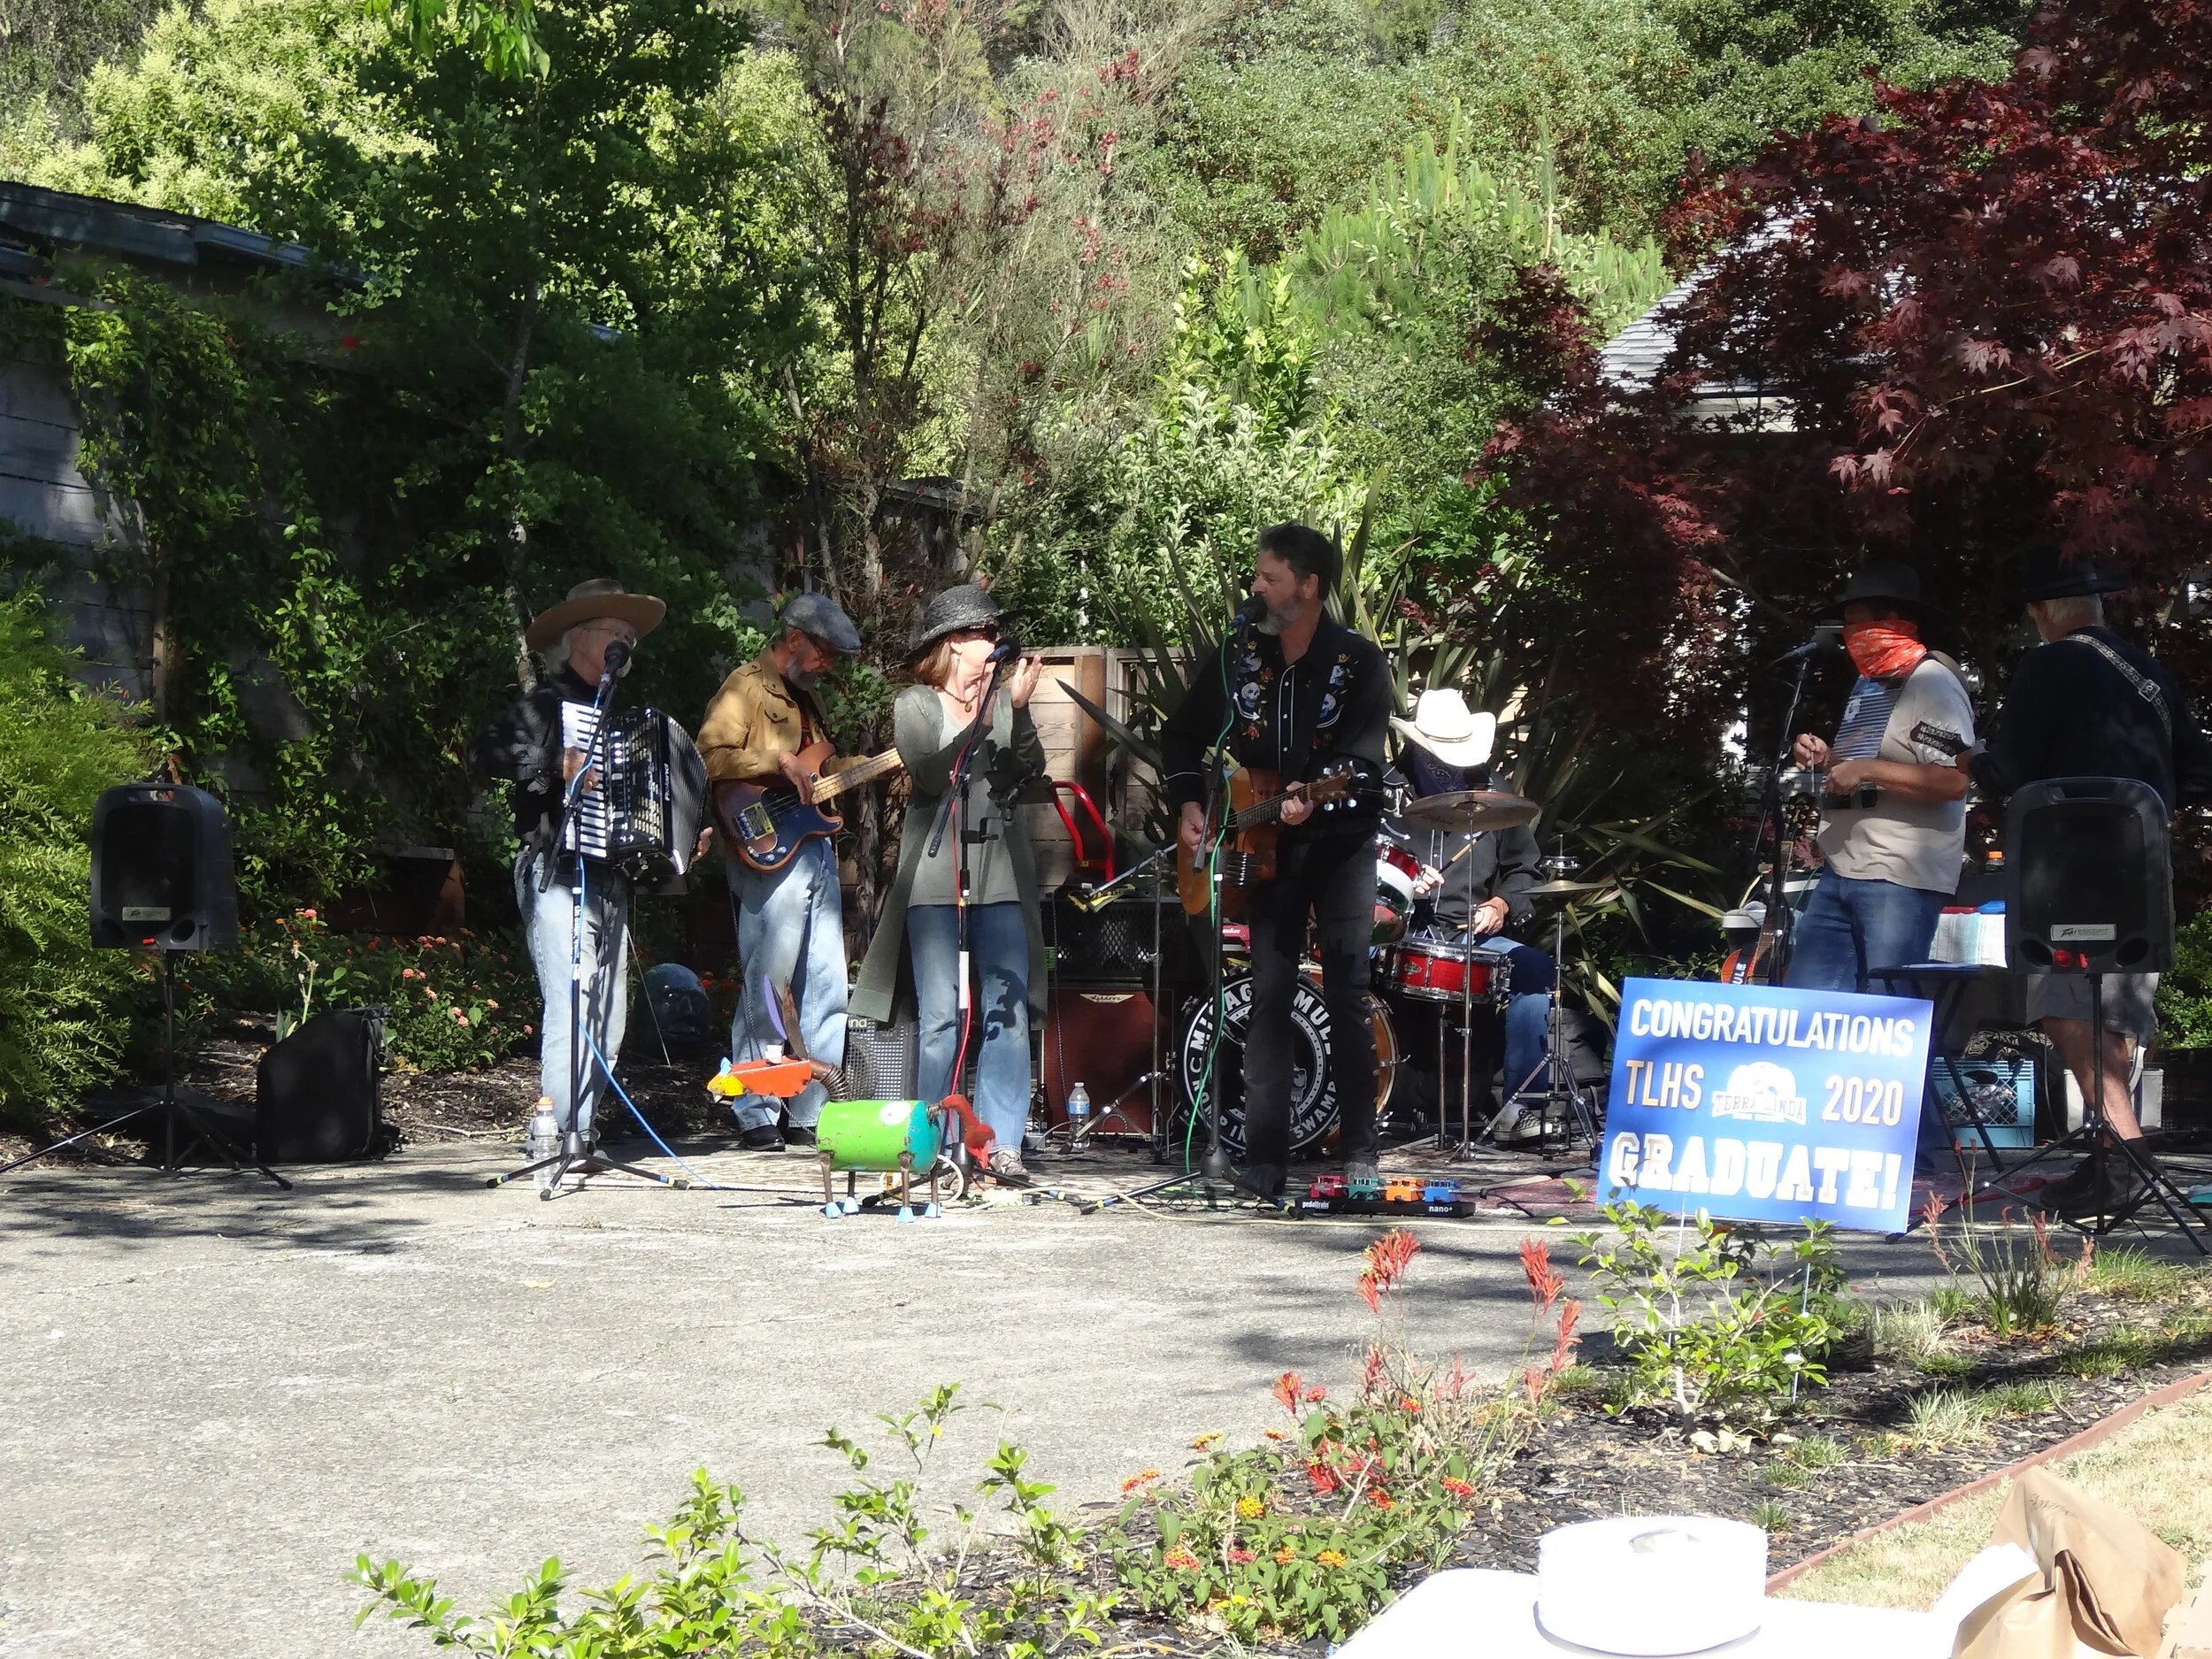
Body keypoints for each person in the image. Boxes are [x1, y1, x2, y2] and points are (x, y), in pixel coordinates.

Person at [1968, 543, 2212, 1210]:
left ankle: (2126, 1155)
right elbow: (2199, 770)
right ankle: (2108, 1158)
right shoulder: (2148, 669)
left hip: (2069, 871)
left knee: (2062, 1008)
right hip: (2142, 864)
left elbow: (2010, 769)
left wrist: (1972, 761)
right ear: (2097, 605)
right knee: (2116, 1011)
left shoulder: (2048, 664)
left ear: (2043, 612)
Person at [1159, 523, 1393, 1201]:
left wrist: (1311, 793)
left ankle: (1360, 1151)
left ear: (1309, 585)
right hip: (1264, 846)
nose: (1256, 587)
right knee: (1269, 993)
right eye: (1257, 576)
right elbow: (1182, 733)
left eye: (1270, 577)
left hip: (1342, 841)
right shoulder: (1240, 653)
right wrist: (1190, 802)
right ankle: (1263, 1158)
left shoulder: (1358, 661)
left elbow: (1362, 765)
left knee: (1347, 991)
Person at [851, 585, 1048, 1181]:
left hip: (1001, 878)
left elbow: (1028, 770)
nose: (995, 642)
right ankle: (932, 1144)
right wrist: (980, 724)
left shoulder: (1004, 704)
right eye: (985, 633)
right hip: (935, 884)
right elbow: (931, 775)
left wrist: (1019, 712)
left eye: (995, 633)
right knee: (940, 1019)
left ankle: (1000, 1144)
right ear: (955, 644)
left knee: (1006, 1016)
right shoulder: (915, 704)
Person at [473, 578, 671, 1148]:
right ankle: (559, 1133)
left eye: (631, 637)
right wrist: (552, 761)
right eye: (617, 633)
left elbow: (642, 808)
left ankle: (580, 1130)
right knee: (570, 1004)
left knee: (609, 1022)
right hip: (555, 869)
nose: (627, 645)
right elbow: (485, 749)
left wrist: (675, 840)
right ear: (580, 638)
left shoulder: (627, 723)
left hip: (611, 879)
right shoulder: (544, 703)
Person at [698, 592, 865, 1151]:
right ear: (793, 639)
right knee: (769, 980)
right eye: (823, 652)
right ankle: (755, 1108)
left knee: (827, 984)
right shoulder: (745, 686)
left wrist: (870, 768)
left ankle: (810, 1110)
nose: (827, 664)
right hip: (765, 849)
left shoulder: (808, 699)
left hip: (812, 848)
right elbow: (708, 756)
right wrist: (775, 760)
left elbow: (819, 774)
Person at [1785, 563, 1977, 993]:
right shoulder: (1869, 683)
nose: (1849, 635)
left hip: (1899, 877)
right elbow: (1862, 766)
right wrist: (1826, 757)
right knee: (1807, 1006)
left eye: (1857, 623)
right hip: (1842, 866)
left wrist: (1867, 769)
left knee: (1889, 1008)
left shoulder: (1932, 683)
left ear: (1893, 622)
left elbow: (1955, 780)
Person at [1382, 689, 1555, 1142]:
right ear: (1417, 744)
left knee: (1534, 968)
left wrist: (1501, 905)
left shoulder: (1495, 794)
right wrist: (1403, 882)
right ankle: (1358, 1104)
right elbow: (1355, 865)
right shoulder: (1382, 792)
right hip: (1391, 932)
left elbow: (1526, 871)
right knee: (1343, 967)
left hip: (1470, 936)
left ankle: (1520, 1108)